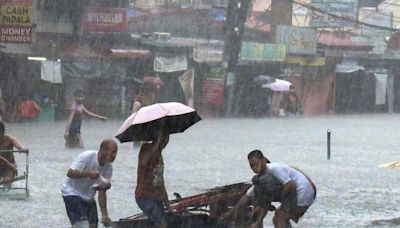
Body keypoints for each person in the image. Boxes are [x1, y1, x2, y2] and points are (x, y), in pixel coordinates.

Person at [222, 150, 316, 228]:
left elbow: (291, 184)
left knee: (279, 218)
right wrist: (231, 212)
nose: (254, 168)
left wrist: (278, 198)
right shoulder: (261, 179)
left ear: (263, 160)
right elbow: (247, 197)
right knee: (280, 217)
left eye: (256, 163)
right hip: (302, 191)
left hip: (302, 192)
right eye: (251, 166)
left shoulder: (273, 169)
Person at [61, 139, 118, 228]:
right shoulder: (87, 156)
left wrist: (104, 215)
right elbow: (70, 173)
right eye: (113, 152)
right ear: (102, 150)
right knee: (82, 226)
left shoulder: (109, 168)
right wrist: (88, 174)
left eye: (116, 152)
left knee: (93, 226)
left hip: (88, 197)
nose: (115, 155)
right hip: (71, 192)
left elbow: (102, 191)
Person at [135, 130, 170, 228]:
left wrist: (167, 205)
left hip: (155, 197)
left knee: (162, 222)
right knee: (162, 225)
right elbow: (144, 162)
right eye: (163, 138)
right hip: (144, 196)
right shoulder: (145, 148)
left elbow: (160, 182)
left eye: (166, 138)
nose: (165, 141)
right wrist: (156, 145)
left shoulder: (159, 157)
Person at [0, 121, 28, 187]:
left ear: (2, 132)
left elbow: (19, 146)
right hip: (9, 165)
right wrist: (11, 166)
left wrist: (23, 149)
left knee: (6, 182)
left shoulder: (9, 139)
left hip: (9, 168)